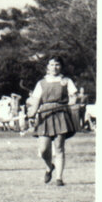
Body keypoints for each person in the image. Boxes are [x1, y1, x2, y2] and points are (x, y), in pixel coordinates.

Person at [26, 56, 78, 186]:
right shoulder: (41, 83)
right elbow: (36, 101)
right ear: (47, 67)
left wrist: (71, 102)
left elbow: (73, 97)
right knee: (44, 149)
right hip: (45, 116)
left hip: (61, 115)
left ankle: (59, 178)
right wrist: (31, 112)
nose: (54, 67)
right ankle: (49, 167)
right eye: (52, 65)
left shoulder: (66, 81)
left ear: (61, 67)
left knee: (59, 147)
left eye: (57, 64)